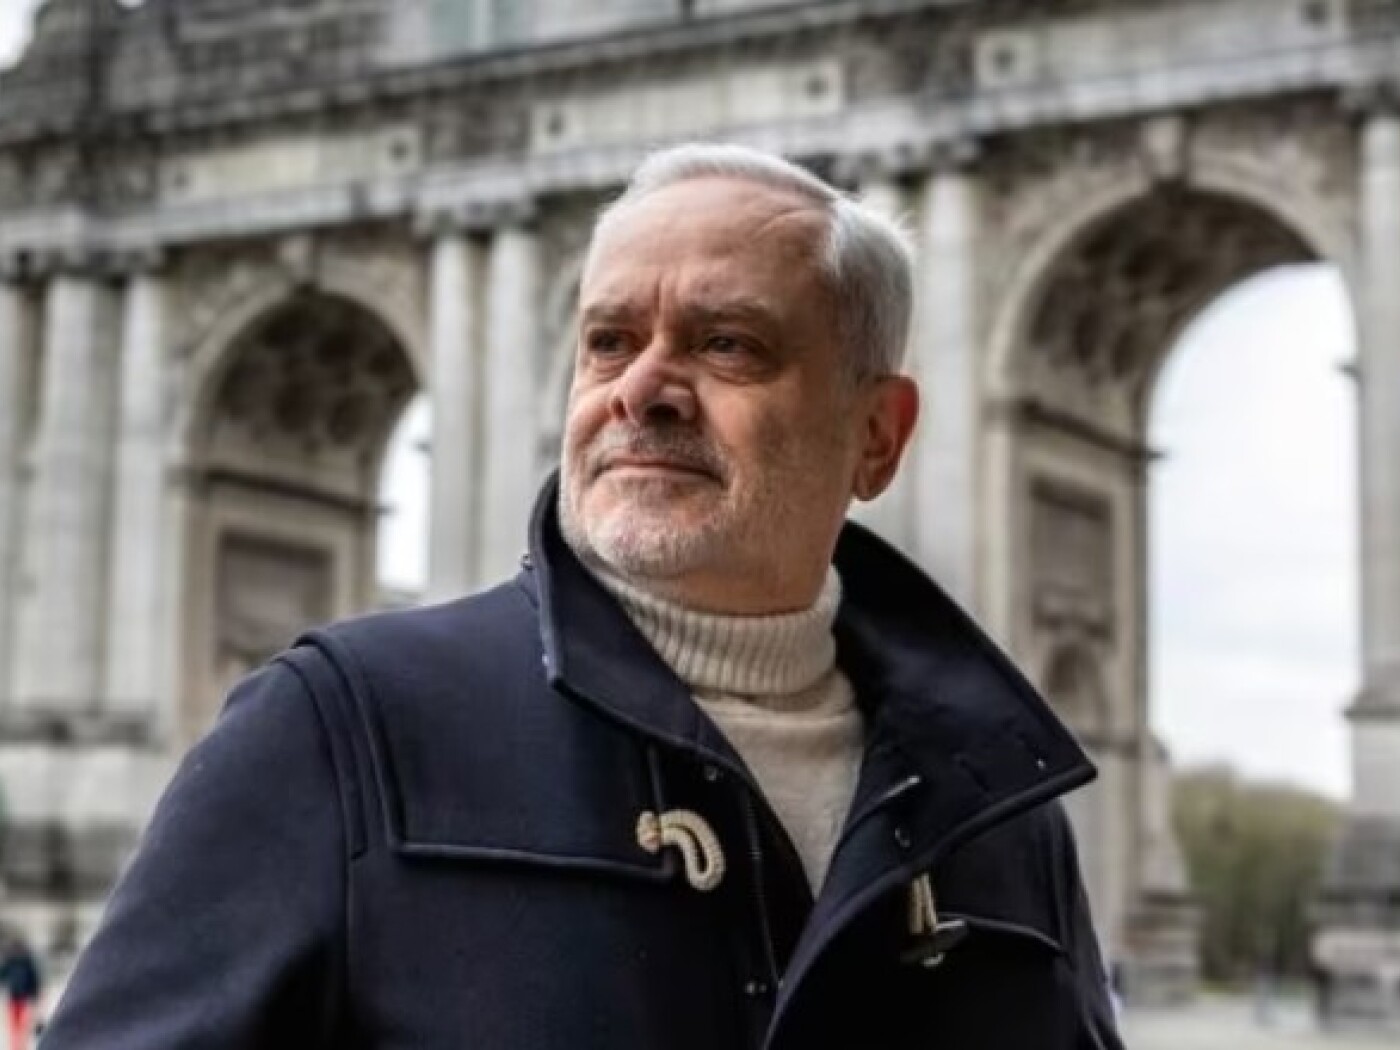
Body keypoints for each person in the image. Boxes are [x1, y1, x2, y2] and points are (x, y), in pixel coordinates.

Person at [40, 143, 1123, 1049]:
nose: (642, 388)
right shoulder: (333, 730)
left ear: (876, 435)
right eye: (608, 342)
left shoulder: (1000, 815)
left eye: (727, 344)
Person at [0, 933, 41, 1050]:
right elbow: (3, 975)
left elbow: (34, 979)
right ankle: (16, 1046)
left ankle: (20, 1045)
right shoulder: (11, 962)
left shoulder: (26, 962)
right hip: (14, 997)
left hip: (23, 997)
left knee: (22, 1025)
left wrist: (35, 994)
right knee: (15, 1025)